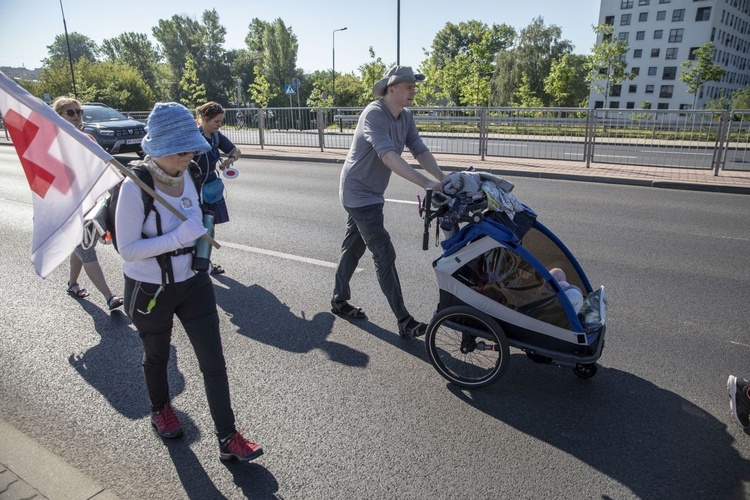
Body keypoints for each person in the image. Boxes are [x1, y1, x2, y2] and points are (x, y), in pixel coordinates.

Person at [116, 102, 262, 462]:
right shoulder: (134, 187)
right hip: (151, 289)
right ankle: (160, 409)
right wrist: (181, 237)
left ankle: (228, 437)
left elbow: (196, 221)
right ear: (161, 148)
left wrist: (200, 235)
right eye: (183, 149)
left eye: (193, 147)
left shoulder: (192, 172)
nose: (191, 154)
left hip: (194, 283)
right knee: (157, 356)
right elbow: (128, 250)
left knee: (214, 361)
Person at [331, 65, 445, 337]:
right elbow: (388, 156)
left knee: (353, 247)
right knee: (384, 253)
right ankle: (404, 320)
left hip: (372, 193)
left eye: (414, 87)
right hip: (359, 194)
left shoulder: (405, 117)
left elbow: (419, 150)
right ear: (391, 89)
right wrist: (426, 183)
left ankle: (338, 299)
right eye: (408, 87)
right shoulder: (374, 113)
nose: (413, 91)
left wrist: (444, 178)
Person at [52, 96, 124, 311]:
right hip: (67, 207)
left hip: (89, 204)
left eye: (78, 111)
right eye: (70, 112)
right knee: (86, 250)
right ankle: (109, 296)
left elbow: (103, 166)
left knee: (83, 248)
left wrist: (119, 179)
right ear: (58, 116)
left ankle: (72, 284)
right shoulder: (54, 143)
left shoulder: (88, 138)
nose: (76, 116)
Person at [191, 101, 241, 275]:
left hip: (211, 187)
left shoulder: (216, 136)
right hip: (194, 188)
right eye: (216, 121)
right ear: (205, 119)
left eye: (221, 121)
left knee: (209, 226)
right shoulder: (194, 137)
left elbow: (236, 151)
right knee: (197, 226)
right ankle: (198, 263)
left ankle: (205, 262)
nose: (219, 125)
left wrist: (230, 159)